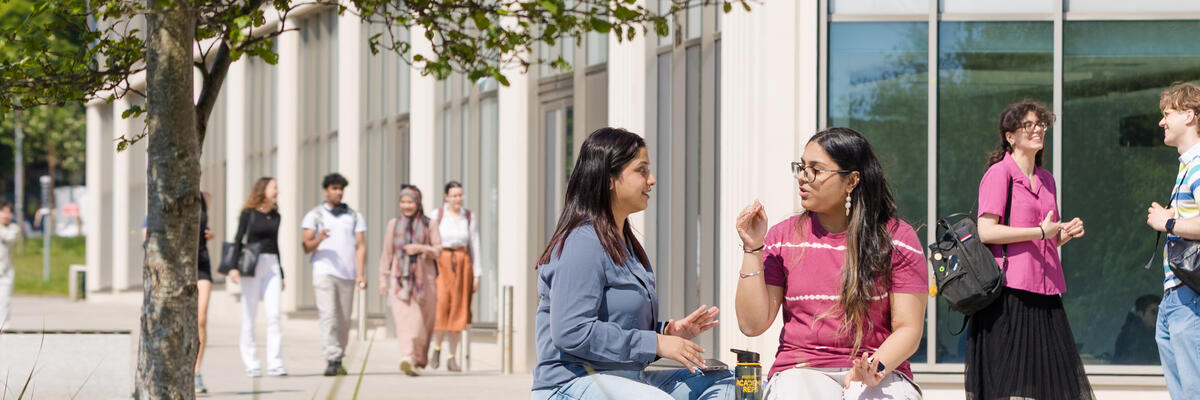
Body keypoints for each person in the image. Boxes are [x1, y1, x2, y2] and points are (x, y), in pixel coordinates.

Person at [531, 127, 733, 400]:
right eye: (641, 170)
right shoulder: (581, 242)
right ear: (609, 179)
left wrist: (667, 332)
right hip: (570, 383)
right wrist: (656, 343)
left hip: (625, 379)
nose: (651, 180)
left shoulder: (623, 242)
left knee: (729, 382)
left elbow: (615, 322)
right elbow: (571, 331)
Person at [735, 127, 927, 399]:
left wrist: (875, 366)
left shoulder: (899, 238)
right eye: (801, 167)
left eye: (815, 169)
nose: (802, 177)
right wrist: (753, 247)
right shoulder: (782, 238)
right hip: (801, 372)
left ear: (851, 181)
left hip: (879, 370)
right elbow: (752, 325)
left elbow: (909, 328)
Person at [968, 100, 1092, 399]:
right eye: (1029, 125)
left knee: (1053, 386)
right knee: (1005, 386)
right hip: (1009, 295)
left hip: (1047, 294)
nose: (1037, 130)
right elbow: (986, 231)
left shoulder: (1047, 179)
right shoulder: (999, 174)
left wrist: (1063, 234)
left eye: (1041, 124)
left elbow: (1044, 239)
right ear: (1010, 136)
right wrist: (1040, 232)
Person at [1145, 82, 1200, 398]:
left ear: (1190, 116)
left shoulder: (1197, 165)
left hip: (1189, 296)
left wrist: (1168, 222)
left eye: (1167, 114)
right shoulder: (1187, 166)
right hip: (1175, 295)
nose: (1161, 122)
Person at [301, 173, 368, 376]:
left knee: (344, 319)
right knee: (328, 316)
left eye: (340, 189)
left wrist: (361, 274)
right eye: (334, 188)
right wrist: (320, 238)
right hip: (324, 271)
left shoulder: (354, 216)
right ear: (326, 190)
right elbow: (306, 246)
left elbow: (361, 246)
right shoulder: (315, 215)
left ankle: (339, 356)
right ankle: (331, 357)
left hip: (347, 274)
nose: (338, 192)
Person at [223, 177, 287, 378]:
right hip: (251, 264)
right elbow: (237, 239)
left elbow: (275, 244)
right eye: (274, 187)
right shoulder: (248, 213)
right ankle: (251, 362)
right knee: (249, 314)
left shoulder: (276, 215)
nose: (277, 191)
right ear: (263, 189)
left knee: (274, 315)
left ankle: (275, 362)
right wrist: (233, 267)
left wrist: (281, 273)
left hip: (272, 265)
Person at [378, 184, 439, 376]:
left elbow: (438, 250)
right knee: (405, 320)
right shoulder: (393, 224)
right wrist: (382, 278)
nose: (406, 205)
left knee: (423, 322)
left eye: (410, 201)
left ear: (418, 202)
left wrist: (421, 248)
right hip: (400, 280)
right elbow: (387, 253)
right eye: (403, 201)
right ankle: (407, 356)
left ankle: (419, 358)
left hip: (425, 280)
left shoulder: (430, 224)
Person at [429, 181, 481, 372]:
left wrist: (477, 274)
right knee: (441, 305)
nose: (458, 199)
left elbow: (475, 244)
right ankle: (436, 348)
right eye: (454, 196)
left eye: (460, 195)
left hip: (462, 262)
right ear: (446, 197)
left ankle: (452, 356)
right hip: (442, 262)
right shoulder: (437, 215)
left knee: (459, 309)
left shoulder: (468, 216)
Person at [195, 192, 216, 393]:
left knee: (201, 319)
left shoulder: (205, 198)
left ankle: (196, 372)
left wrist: (209, 232)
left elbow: (203, 226)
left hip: (201, 263)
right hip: (177, 264)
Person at [1113, 294, 1161, 365]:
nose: (1157, 316)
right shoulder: (1130, 336)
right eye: (1153, 312)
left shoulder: (1161, 334)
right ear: (1140, 314)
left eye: (1160, 313)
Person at [0, 202, 20, 329]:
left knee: (4, 301)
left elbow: (8, 238)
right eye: (3, 211)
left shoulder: (13, 228)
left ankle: (3, 328)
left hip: (5, 271)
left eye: (9, 212)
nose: (6, 215)